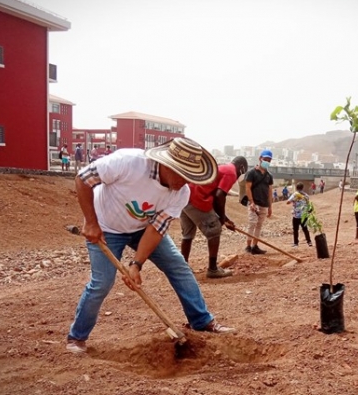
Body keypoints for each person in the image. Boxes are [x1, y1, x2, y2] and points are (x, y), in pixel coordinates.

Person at [66, 137, 235, 354]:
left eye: (190, 177)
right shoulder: (128, 163)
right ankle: (77, 337)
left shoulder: (181, 194)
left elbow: (156, 229)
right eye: (182, 174)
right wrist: (91, 222)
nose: (185, 181)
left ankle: (201, 321)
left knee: (178, 266)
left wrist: (136, 264)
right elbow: (83, 179)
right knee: (102, 282)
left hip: (143, 228)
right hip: (105, 228)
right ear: (166, 164)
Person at [180, 156, 248, 278]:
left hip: (185, 197)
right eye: (242, 173)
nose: (239, 176)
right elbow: (219, 195)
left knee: (188, 234)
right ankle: (212, 269)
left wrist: (225, 219)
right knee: (215, 230)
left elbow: (214, 195)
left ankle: (182, 267)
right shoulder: (231, 172)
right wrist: (221, 219)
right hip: (197, 199)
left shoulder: (222, 167)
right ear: (241, 167)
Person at [244, 150, 274, 255]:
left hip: (264, 204)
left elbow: (270, 191)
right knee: (252, 224)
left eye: (269, 160)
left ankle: (254, 246)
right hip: (254, 203)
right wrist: (251, 202)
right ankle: (248, 246)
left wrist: (270, 206)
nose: (267, 161)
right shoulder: (252, 173)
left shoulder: (269, 176)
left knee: (259, 225)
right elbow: (247, 187)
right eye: (265, 159)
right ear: (260, 158)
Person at [286, 182, 312, 248]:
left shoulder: (295, 194)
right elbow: (308, 203)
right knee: (305, 229)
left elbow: (288, 202)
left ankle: (296, 243)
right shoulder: (306, 195)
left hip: (296, 216)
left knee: (295, 230)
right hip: (304, 215)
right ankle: (309, 242)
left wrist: (294, 200)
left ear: (296, 188)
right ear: (302, 188)